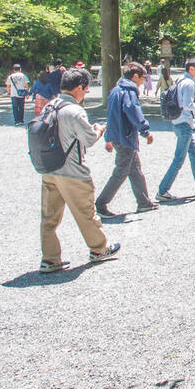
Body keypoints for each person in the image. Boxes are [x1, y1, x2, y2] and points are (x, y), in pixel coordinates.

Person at [38, 67, 121, 273]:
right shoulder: (74, 111)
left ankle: (50, 258)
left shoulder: (50, 106)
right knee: (86, 212)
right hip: (72, 171)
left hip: (49, 169)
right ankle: (99, 248)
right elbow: (90, 139)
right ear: (78, 88)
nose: (86, 93)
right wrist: (99, 129)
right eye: (86, 89)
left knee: (49, 217)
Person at [97, 62, 159, 216]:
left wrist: (108, 137)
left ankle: (144, 202)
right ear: (135, 76)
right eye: (143, 78)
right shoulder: (129, 92)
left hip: (118, 135)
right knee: (121, 171)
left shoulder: (115, 90)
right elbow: (133, 111)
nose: (143, 81)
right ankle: (100, 203)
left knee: (135, 170)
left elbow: (110, 116)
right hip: (125, 136)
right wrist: (146, 131)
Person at [157, 57, 195, 201]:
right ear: (191, 69)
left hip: (178, 121)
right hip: (184, 124)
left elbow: (182, 101)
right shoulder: (189, 83)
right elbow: (187, 105)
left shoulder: (181, 80)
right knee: (179, 159)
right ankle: (162, 190)